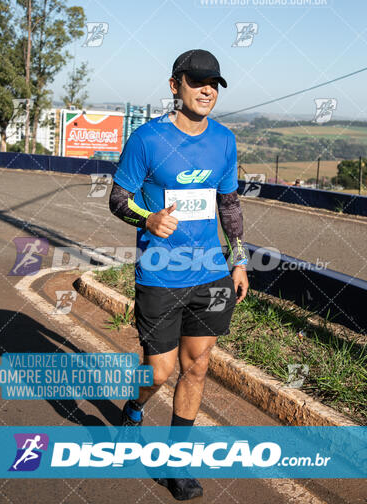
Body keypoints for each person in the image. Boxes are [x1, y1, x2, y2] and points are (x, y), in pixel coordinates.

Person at [109, 49, 249, 500]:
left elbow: (228, 202)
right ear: (176, 85)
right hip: (160, 273)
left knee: (198, 366)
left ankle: (178, 462)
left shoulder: (224, 140)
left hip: (209, 273)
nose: (208, 89)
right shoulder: (146, 140)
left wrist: (240, 258)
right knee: (160, 371)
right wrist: (146, 220)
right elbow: (117, 199)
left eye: (215, 83)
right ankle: (133, 409)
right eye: (198, 81)